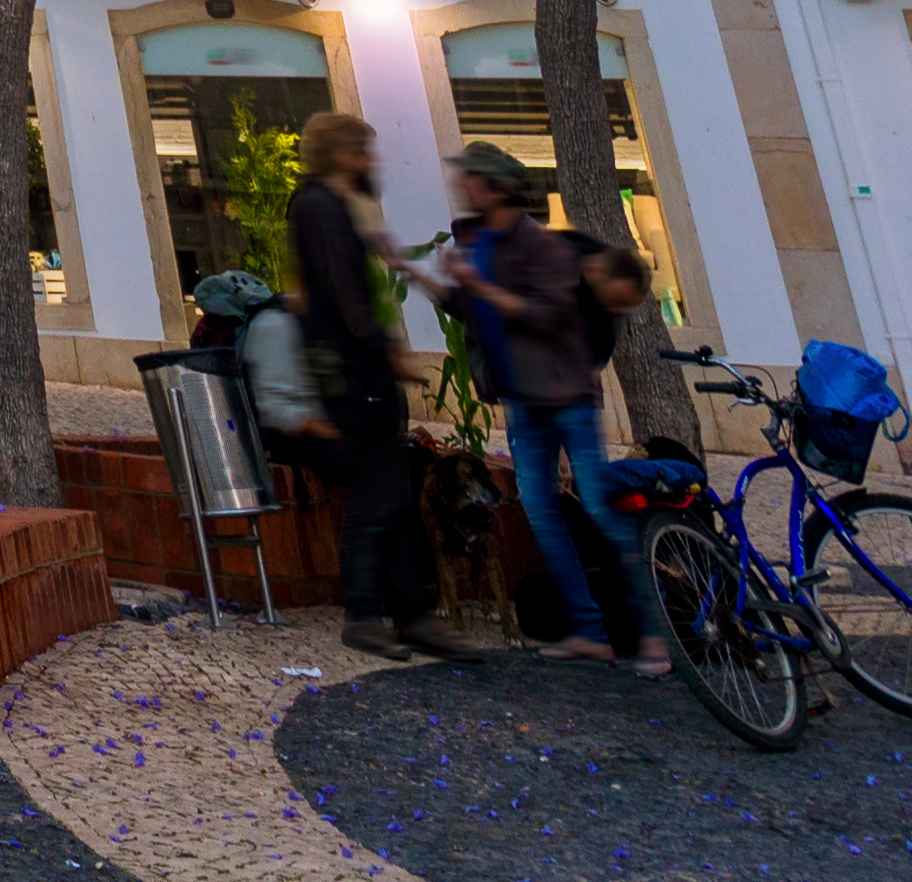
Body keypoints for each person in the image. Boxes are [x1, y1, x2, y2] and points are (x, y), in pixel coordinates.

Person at [430, 140, 668, 674]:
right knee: (542, 512)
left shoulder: (538, 242)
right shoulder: (478, 241)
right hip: (521, 397)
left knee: (598, 507)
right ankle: (588, 631)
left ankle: (653, 638)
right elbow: (471, 310)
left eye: (471, 178)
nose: (462, 185)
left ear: (494, 186)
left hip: (562, 395)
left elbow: (549, 313)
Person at [283, 111, 471, 661]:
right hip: (351, 371)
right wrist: (385, 354)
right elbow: (344, 290)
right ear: (342, 153)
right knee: (376, 497)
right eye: (363, 150)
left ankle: (402, 614)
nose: (372, 160)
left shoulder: (337, 204)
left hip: (355, 367)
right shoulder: (321, 206)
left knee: (386, 495)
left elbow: (372, 268)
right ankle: (375, 616)